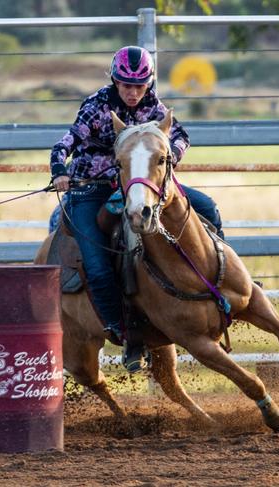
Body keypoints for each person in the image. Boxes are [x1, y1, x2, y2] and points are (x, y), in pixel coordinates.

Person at [50, 45, 224, 373]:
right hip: (90, 190)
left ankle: (226, 281)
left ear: (149, 84)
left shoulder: (153, 107)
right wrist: (59, 170)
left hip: (142, 187)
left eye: (140, 86)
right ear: (114, 81)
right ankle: (125, 332)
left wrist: (167, 154)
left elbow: (182, 136)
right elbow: (66, 143)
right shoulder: (96, 107)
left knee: (207, 209)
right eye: (126, 85)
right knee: (99, 266)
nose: (133, 93)